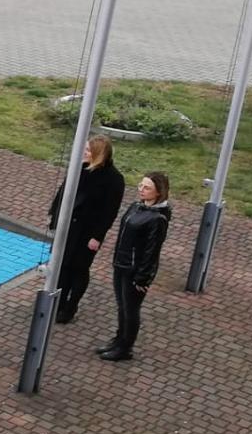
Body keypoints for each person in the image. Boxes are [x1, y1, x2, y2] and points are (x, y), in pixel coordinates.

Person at [48, 135, 126, 323]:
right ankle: (58, 301)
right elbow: (63, 191)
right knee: (63, 265)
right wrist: (54, 216)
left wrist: (97, 237)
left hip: (87, 231)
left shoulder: (114, 180)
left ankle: (71, 305)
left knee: (79, 269)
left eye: (89, 151)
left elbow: (110, 212)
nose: (85, 153)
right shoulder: (79, 167)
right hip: (69, 226)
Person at [100, 172, 172, 362]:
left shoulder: (158, 219)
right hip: (121, 264)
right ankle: (118, 340)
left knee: (131, 309)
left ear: (158, 192)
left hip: (134, 270)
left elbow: (152, 251)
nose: (141, 189)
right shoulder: (136, 206)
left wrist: (143, 277)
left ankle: (125, 347)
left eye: (147, 187)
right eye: (141, 185)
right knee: (122, 306)